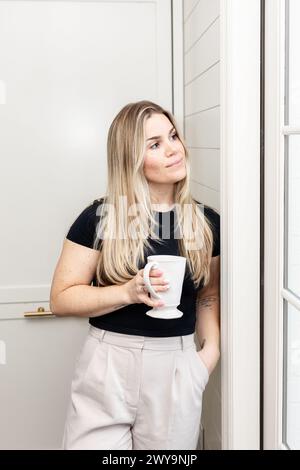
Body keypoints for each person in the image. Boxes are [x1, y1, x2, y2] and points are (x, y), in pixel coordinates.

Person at [50, 100, 220, 450]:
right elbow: (61, 298)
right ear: (130, 159)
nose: (174, 149)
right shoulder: (100, 218)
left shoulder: (206, 223)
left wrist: (208, 356)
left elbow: (208, 296)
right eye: (155, 144)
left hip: (176, 365)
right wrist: (127, 291)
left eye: (173, 136)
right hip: (107, 363)